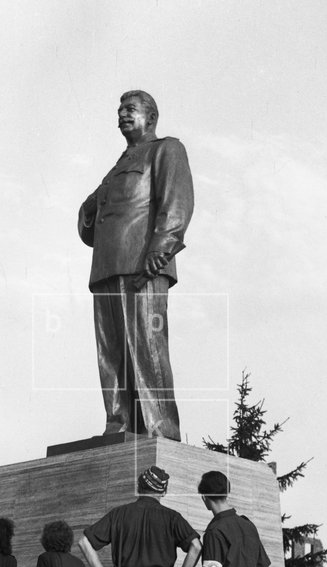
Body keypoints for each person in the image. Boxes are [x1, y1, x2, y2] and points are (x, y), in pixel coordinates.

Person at [78, 90, 194, 441]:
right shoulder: (116, 167)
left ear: (151, 117)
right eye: (119, 110)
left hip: (143, 264)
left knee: (147, 347)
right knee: (111, 353)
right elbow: (89, 226)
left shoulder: (166, 150)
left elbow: (177, 201)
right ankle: (119, 424)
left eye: (130, 109)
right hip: (107, 267)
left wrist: (162, 248)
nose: (122, 115)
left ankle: (161, 429)